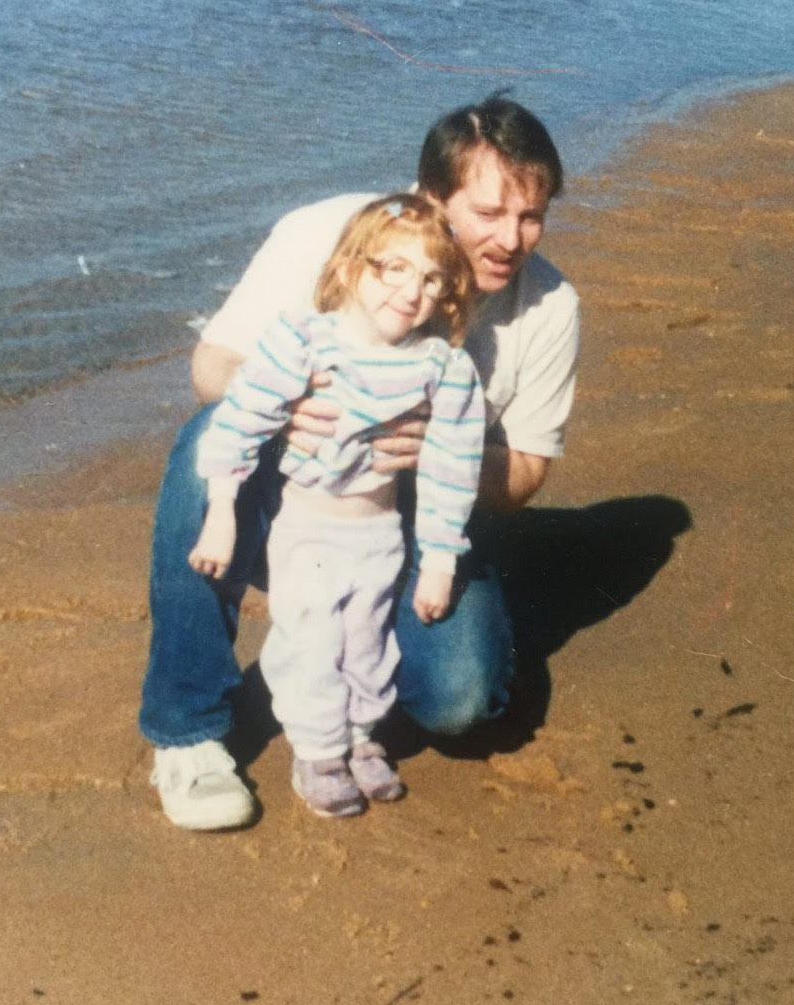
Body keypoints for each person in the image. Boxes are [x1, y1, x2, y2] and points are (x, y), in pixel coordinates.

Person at [140, 94, 580, 830]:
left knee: (459, 702)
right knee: (208, 443)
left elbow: (527, 474)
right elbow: (211, 366)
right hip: (299, 483)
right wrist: (288, 400)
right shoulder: (327, 234)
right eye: (489, 213)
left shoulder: (549, 305)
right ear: (428, 199)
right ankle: (186, 728)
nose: (513, 239)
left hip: (415, 519)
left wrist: (438, 453)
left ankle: (348, 675)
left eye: (531, 215)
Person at [187, 195, 484, 819]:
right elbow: (239, 421)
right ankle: (317, 751)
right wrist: (222, 511)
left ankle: (360, 736)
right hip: (308, 530)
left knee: (369, 644)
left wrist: (439, 561)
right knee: (314, 641)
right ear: (350, 268)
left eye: (431, 278)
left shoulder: (442, 368)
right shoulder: (306, 341)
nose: (412, 291)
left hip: (380, 536)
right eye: (392, 269)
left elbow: (453, 468)